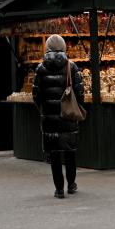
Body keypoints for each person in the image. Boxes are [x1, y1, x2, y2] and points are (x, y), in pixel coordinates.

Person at [31, 34, 85, 199]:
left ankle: (59, 189)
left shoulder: (41, 68)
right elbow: (80, 94)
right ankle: (71, 184)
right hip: (68, 116)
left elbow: (36, 95)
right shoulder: (72, 66)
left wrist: (45, 108)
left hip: (49, 118)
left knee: (54, 154)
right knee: (70, 152)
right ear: (63, 47)